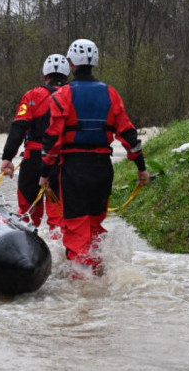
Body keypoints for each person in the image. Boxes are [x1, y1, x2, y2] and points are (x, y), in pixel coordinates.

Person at [40, 38, 150, 275]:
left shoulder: (62, 96)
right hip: (102, 170)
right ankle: (99, 276)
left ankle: (84, 295)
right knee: (93, 226)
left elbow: (52, 140)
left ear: (72, 63)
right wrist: (141, 168)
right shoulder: (111, 94)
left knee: (77, 230)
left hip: (74, 170)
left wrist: (44, 174)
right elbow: (129, 134)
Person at [0, 53, 70, 229]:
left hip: (33, 161)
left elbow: (19, 127)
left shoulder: (32, 95)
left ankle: (29, 250)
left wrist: (7, 157)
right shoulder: (73, 95)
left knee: (27, 215)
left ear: (45, 75)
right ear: (67, 73)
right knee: (59, 216)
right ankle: (60, 252)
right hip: (62, 161)